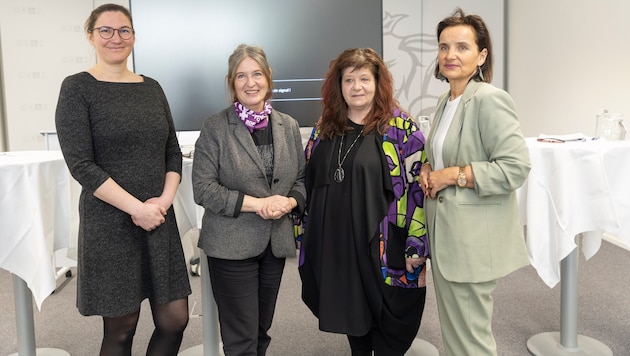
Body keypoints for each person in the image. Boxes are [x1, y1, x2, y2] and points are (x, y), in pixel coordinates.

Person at [55, 3, 191, 356]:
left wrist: (161, 203)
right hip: (110, 222)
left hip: (157, 216)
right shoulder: (77, 88)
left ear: (133, 37)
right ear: (90, 36)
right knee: (122, 326)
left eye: (124, 30)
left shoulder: (152, 87)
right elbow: (81, 164)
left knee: (174, 320)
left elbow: (172, 153)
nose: (116, 38)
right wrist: (136, 208)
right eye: (106, 30)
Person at [298, 47, 429, 356]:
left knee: (389, 330)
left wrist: (417, 244)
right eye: (348, 80)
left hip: (386, 245)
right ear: (338, 86)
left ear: (378, 83)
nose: (356, 87)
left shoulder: (400, 129)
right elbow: (309, 183)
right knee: (353, 319)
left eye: (364, 79)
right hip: (339, 247)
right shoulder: (324, 129)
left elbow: (417, 191)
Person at [419, 8, 531, 356]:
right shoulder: (447, 99)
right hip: (447, 237)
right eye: (443, 47)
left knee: (472, 342)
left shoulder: (489, 99)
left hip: (471, 243)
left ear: (481, 55)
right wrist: (427, 169)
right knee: (456, 336)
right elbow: (439, 153)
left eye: (462, 47)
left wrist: (453, 175)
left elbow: (515, 167)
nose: (450, 55)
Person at [191, 44, 306, 356]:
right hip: (230, 245)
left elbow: (301, 180)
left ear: (268, 78)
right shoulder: (215, 127)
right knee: (241, 339)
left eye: (256, 74)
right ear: (232, 82)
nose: (250, 82)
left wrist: (290, 202)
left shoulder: (288, 125)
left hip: (275, 243)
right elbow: (203, 188)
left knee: (259, 333)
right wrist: (260, 205)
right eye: (241, 76)